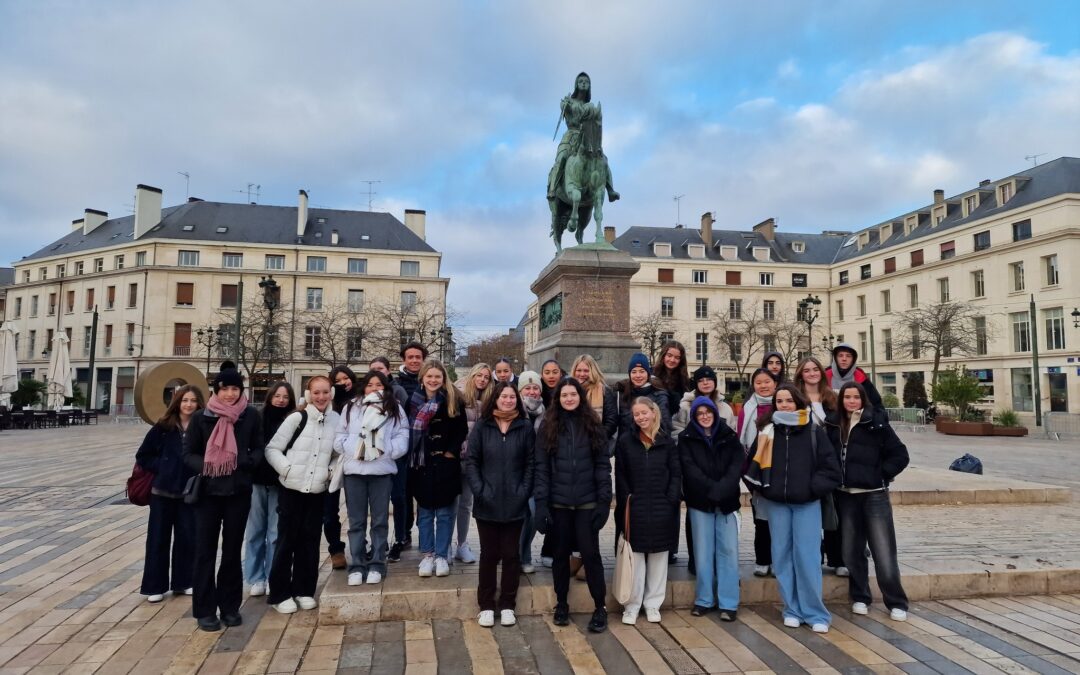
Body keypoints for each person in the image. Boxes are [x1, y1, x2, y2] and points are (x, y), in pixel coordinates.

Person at [744, 384, 841, 633]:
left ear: (798, 402)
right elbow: (750, 466)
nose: (784, 405)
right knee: (783, 557)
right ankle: (792, 609)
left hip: (806, 503)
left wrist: (812, 488)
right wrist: (767, 489)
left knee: (807, 558)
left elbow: (831, 469)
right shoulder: (767, 431)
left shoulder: (813, 430)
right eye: (779, 401)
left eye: (788, 401)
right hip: (777, 504)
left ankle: (815, 612)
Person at [183, 363, 263, 632]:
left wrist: (247, 462)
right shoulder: (201, 417)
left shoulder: (250, 415)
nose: (230, 394)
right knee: (204, 552)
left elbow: (259, 446)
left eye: (235, 389)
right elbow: (188, 453)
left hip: (238, 492)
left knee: (231, 552)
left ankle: (229, 607)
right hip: (208, 493)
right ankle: (205, 610)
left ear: (242, 390)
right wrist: (208, 466)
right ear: (216, 390)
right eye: (225, 388)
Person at [827, 382, 910, 622]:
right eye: (847, 397)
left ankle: (895, 601)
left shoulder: (877, 423)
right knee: (851, 551)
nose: (852, 401)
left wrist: (881, 474)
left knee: (883, 551)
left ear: (863, 399)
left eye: (856, 397)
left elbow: (900, 455)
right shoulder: (833, 424)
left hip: (873, 494)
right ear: (841, 400)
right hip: (845, 495)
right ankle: (860, 596)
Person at [534, 377, 612, 633]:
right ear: (558, 398)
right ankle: (562, 603)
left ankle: (599, 607)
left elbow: (602, 466)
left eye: (573, 394)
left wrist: (604, 501)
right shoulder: (548, 426)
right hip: (559, 503)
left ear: (580, 396)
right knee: (560, 556)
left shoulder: (593, 425)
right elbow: (542, 469)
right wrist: (542, 505)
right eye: (564, 395)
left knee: (591, 555)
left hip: (587, 502)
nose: (569, 398)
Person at [263, 376, 340, 614]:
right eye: (316, 392)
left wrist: (328, 472)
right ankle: (279, 593)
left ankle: (304, 589)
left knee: (310, 541)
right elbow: (272, 448)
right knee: (286, 541)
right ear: (308, 394)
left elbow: (338, 453)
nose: (321, 397)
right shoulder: (297, 418)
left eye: (325, 392)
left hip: (316, 490)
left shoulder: (336, 420)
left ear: (331, 393)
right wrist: (287, 470)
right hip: (292, 488)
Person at [465, 381, 536, 628]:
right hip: (487, 502)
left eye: (512, 397)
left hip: (515, 502)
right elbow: (472, 461)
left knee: (511, 555)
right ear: (495, 398)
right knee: (489, 555)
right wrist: (480, 490)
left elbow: (530, 463)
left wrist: (523, 491)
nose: (508, 400)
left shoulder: (525, 427)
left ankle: (507, 604)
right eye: (503, 396)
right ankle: (486, 605)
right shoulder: (483, 427)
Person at [334, 370, 409, 587]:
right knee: (356, 522)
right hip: (354, 471)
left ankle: (377, 563)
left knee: (379, 521)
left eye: (379, 385)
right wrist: (355, 448)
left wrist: (386, 450)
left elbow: (402, 435)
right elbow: (340, 436)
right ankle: (357, 564)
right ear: (363, 386)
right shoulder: (351, 407)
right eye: (370, 384)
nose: (374, 388)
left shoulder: (394, 408)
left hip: (381, 471)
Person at [615, 397, 681, 625]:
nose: (641, 417)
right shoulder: (626, 441)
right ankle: (631, 605)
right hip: (636, 507)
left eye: (645, 413)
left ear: (654, 413)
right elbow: (621, 475)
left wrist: (671, 499)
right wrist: (627, 499)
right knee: (635, 560)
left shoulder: (667, 442)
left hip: (662, 507)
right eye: (637, 414)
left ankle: (653, 604)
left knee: (659, 559)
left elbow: (675, 474)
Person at [136, 385, 204, 603]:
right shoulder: (163, 427)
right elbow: (143, 455)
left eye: (193, 401)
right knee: (158, 539)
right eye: (185, 400)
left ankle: (183, 582)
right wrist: (163, 466)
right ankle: (154, 586)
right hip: (162, 492)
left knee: (187, 539)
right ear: (177, 402)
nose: (189, 405)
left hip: (189, 492)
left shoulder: (201, 426)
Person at [679, 396, 743, 621]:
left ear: (715, 414)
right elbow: (689, 468)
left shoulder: (729, 436)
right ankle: (704, 599)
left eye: (708, 412)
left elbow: (737, 465)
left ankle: (729, 602)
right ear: (694, 417)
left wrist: (723, 489)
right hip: (700, 501)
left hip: (726, 502)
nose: (704, 416)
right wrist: (711, 489)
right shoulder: (686, 439)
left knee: (728, 551)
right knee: (703, 553)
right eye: (699, 413)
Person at [671, 365, 736, 574]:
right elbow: (677, 430)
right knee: (696, 517)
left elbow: (731, 433)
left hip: (719, 467)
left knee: (720, 523)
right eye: (701, 380)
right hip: (695, 466)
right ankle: (695, 559)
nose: (706, 383)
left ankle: (718, 561)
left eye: (709, 379)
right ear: (696, 384)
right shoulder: (685, 406)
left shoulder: (725, 407)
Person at [408, 359, 468, 578]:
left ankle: (442, 554)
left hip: (445, 463)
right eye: (429, 376)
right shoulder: (413, 400)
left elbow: (461, 429)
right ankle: (428, 555)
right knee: (424, 514)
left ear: (443, 379)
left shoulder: (453, 399)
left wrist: (450, 452)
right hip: (421, 463)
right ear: (422, 378)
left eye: (437, 377)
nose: (433, 380)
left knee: (444, 513)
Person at [794, 357, 846, 577]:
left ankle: (837, 558)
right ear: (800, 375)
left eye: (815, 369)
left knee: (834, 511)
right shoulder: (796, 398)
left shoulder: (832, 398)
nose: (812, 373)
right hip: (804, 460)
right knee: (809, 513)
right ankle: (813, 556)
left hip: (830, 459)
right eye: (807, 370)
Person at [245, 382, 296, 598]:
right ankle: (256, 578)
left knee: (276, 533)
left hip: (280, 482)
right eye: (277, 396)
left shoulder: (294, 420)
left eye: (285, 397)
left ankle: (273, 574)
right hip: (257, 480)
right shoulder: (258, 417)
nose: (281, 400)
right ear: (270, 397)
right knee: (255, 531)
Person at [547, 72, 619, 203]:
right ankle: (553, 188)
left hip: (587, 135)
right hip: (571, 135)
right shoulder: (569, 101)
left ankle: (610, 190)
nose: (584, 83)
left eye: (586, 81)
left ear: (589, 86)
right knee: (562, 158)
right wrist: (565, 106)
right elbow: (564, 109)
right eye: (581, 81)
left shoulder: (590, 106)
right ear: (576, 84)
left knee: (602, 159)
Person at [738, 368, 779, 577]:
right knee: (760, 519)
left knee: (779, 520)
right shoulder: (748, 408)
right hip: (755, 471)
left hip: (779, 471)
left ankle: (778, 559)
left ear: (775, 383)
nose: (763, 386)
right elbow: (741, 440)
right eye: (758, 382)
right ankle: (763, 559)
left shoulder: (782, 403)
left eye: (767, 382)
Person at [391, 342, 429, 560]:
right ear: (404, 360)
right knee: (402, 494)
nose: (414, 360)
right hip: (403, 448)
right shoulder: (396, 385)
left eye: (418, 357)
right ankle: (403, 534)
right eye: (410, 357)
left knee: (423, 493)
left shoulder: (431, 380)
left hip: (424, 446)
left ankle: (423, 535)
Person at [454, 363, 493, 566]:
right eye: (479, 375)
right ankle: (443, 546)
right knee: (450, 503)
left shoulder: (489, 400)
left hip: (475, 460)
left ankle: (462, 544)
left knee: (466, 504)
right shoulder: (459, 394)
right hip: (455, 457)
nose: (482, 379)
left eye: (486, 377)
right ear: (472, 375)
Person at [324, 366, 357, 570]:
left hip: (354, 460)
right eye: (338, 379)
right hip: (331, 462)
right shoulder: (329, 403)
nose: (344, 382)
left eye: (346, 378)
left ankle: (360, 546)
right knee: (329, 511)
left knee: (356, 509)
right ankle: (336, 549)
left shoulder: (360, 399)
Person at [516, 370, 545, 574]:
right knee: (519, 516)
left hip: (538, 472)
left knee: (534, 515)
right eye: (527, 387)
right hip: (516, 472)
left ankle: (523, 552)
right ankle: (517, 556)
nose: (532, 391)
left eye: (535, 387)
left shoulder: (546, 412)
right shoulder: (514, 410)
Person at [613, 353, 672, 440]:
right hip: (625, 447)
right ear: (629, 374)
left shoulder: (659, 395)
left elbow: (665, 424)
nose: (638, 375)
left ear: (648, 374)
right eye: (634, 372)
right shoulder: (620, 394)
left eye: (642, 371)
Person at [570, 354, 617, 438]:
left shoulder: (604, 391)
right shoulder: (569, 390)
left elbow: (611, 423)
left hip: (596, 442)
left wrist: (597, 439)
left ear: (593, 371)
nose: (582, 374)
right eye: (579, 370)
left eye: (586, 371)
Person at [825, 343, 884, 410]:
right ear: (835, 358)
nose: (844, 359)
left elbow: (876, 405)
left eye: (848, 356)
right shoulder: (824, 377)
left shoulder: (861, 378)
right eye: (840, 355)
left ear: (853, 359)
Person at [653, 340, 692, 420]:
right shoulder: (652, 375)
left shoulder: (684, 381)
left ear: (681, 360)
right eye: (669, 355)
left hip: (677, 422)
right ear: (663, 356)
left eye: (677, 358)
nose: (672, 360)